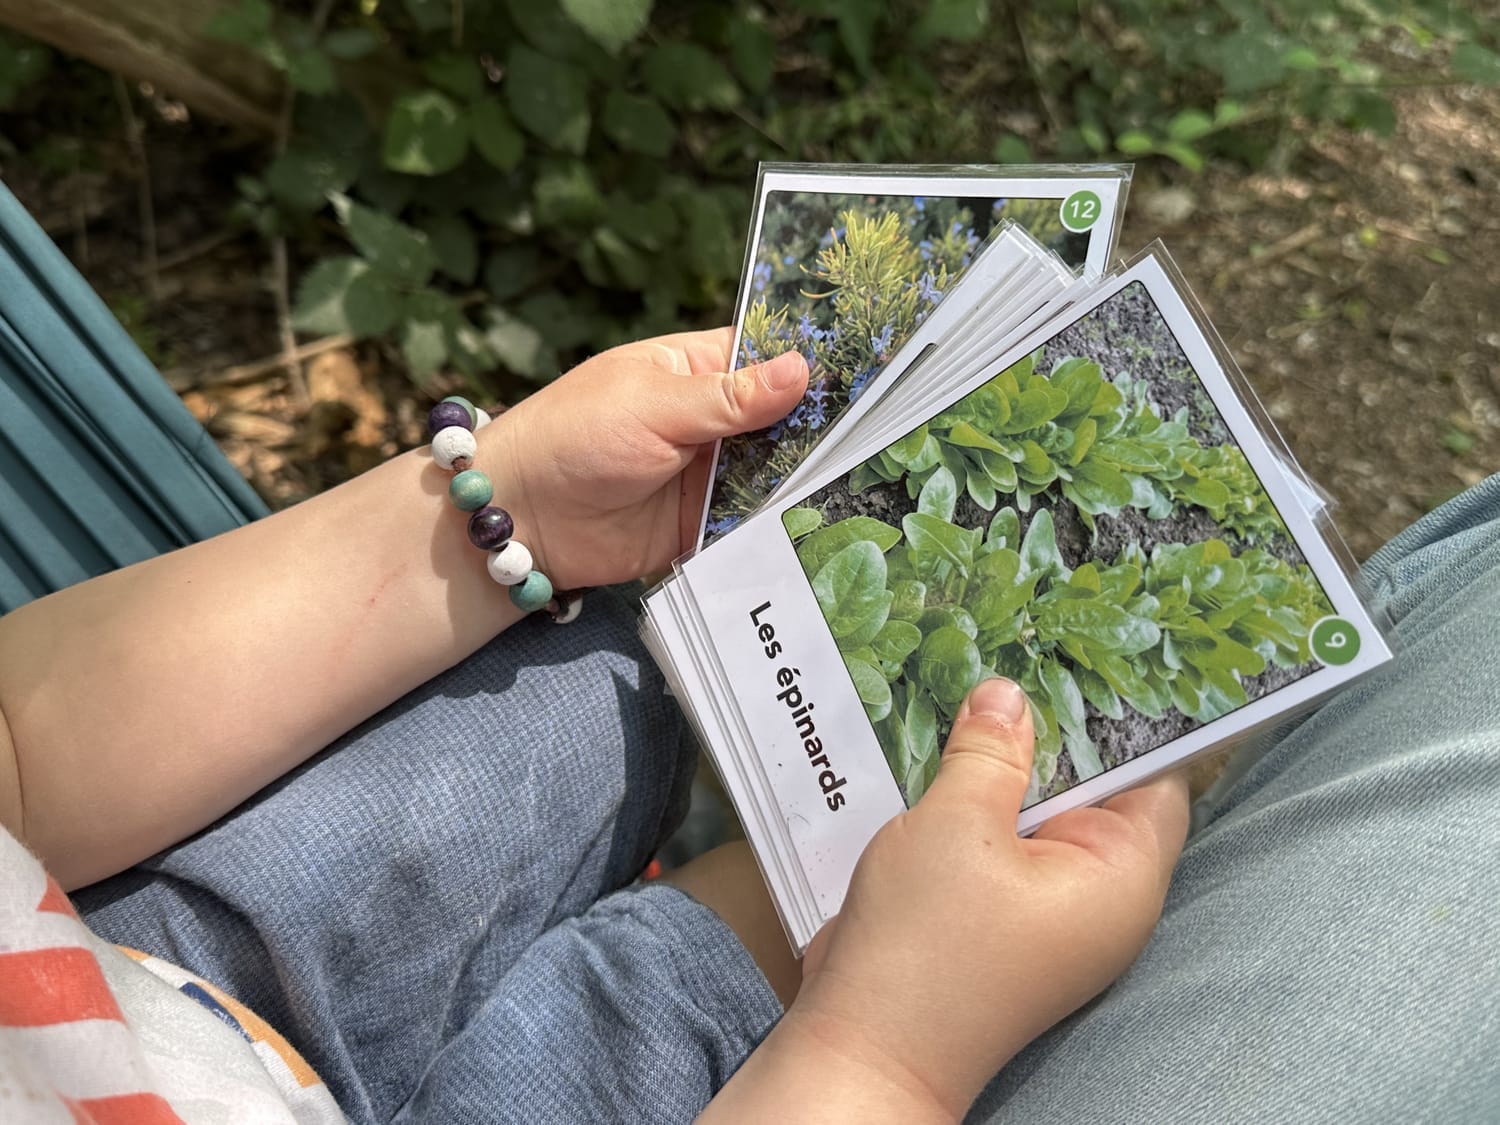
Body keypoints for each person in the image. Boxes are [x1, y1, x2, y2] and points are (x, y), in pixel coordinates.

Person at [0, 328, 1495, 1121]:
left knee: (599, 685)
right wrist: (881, 1055)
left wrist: (479, 512)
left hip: (123, 980)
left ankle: (863, 868)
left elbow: (17, 741)